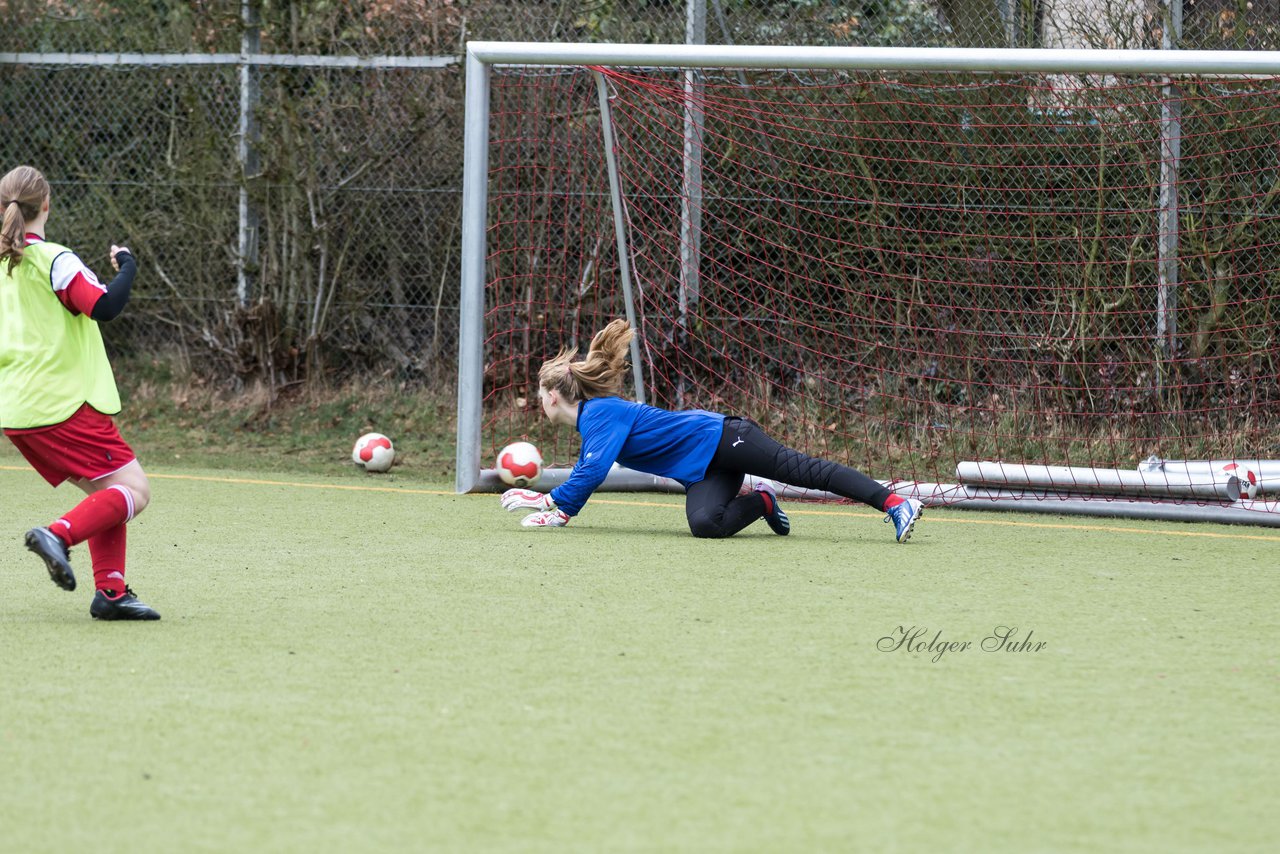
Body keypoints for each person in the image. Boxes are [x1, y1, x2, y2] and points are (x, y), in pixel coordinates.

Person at [500, 318, 925, 542]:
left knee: (802, 470)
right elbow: (588, 469)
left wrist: (556, 509)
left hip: (724, 437)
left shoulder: (599, 414)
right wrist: (548, 498)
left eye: (540, 394)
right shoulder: (594, 419)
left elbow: (591, 473)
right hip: (702, 472)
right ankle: (761, 502)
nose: (539, 402)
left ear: (554, 396)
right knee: (706, 524)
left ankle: (894, 504)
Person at [0, 165, 159, 620]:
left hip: (17, 411)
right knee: (135, 490)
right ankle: (58, 534)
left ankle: (110, 594)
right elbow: (105, 305)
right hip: (63, 406)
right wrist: (128, 265)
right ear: (46, 204)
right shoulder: (53, 259)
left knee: (107, 492)